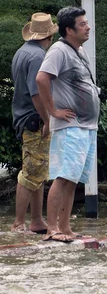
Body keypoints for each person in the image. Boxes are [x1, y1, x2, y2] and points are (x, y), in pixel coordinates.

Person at [36, 6, 100, 242]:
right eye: (82, 24)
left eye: (86, 23)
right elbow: (42, 78)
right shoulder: (58, 50)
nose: (88, 27)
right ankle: (52, 228)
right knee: (63, 177)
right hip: (70, 126)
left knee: (74, 180)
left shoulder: (79, 50)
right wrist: (52, 111)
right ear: (69, 30)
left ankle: (65, 227)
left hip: (87, 125)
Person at [10, 13, 58, 234]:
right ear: (48, 36)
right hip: (33, 118)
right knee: (31, 171)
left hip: (23, 116)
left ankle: (37, 219)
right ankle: (20, 222)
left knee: (38, 169)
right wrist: (48, 119)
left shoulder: (22, 52)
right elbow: (37, 93)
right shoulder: (38, 56)